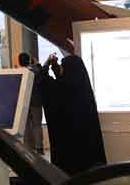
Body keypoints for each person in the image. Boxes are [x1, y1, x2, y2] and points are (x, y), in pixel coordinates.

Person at [41, 45, 106, 175]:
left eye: (62, 66)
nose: (61, 68)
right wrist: (56, 67)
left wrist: (47, 65)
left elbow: (44, 82)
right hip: (89, 164)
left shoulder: (61, 92)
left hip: (69, 165)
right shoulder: (84, 90)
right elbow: (62, 79)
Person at [17, 52, 47, 157]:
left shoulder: (19, 72)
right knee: (37, 125)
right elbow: (42, 73)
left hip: (23, 102)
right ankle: (39, 148)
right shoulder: (36, 71)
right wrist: (37, 64)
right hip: (36, 102)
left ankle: (28, 147)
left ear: (19, 62)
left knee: (26, 126)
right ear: (29, 60)